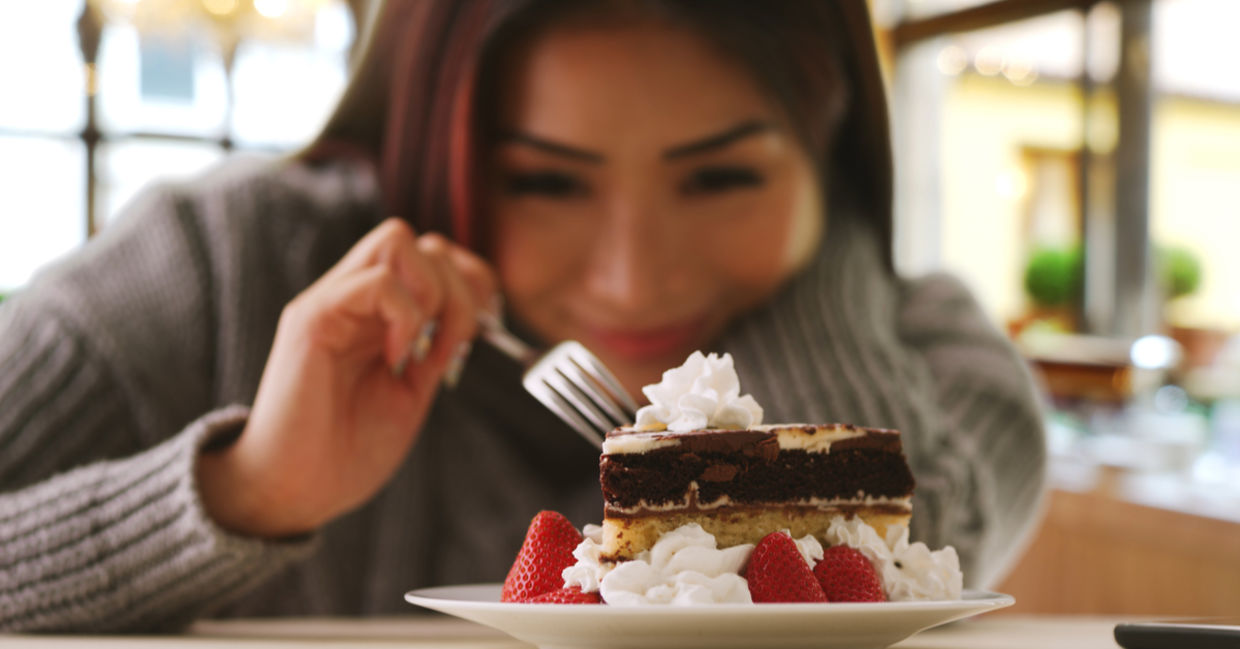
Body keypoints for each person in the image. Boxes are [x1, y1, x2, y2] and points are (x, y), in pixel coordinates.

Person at [0, 0, 1046, 632]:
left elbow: (894, 581)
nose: (632, 281)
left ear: (832, 148)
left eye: (722, 176)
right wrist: (249, 486)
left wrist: (823, 264)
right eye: (546, 184)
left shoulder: (942, 367)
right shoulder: (216, 271)